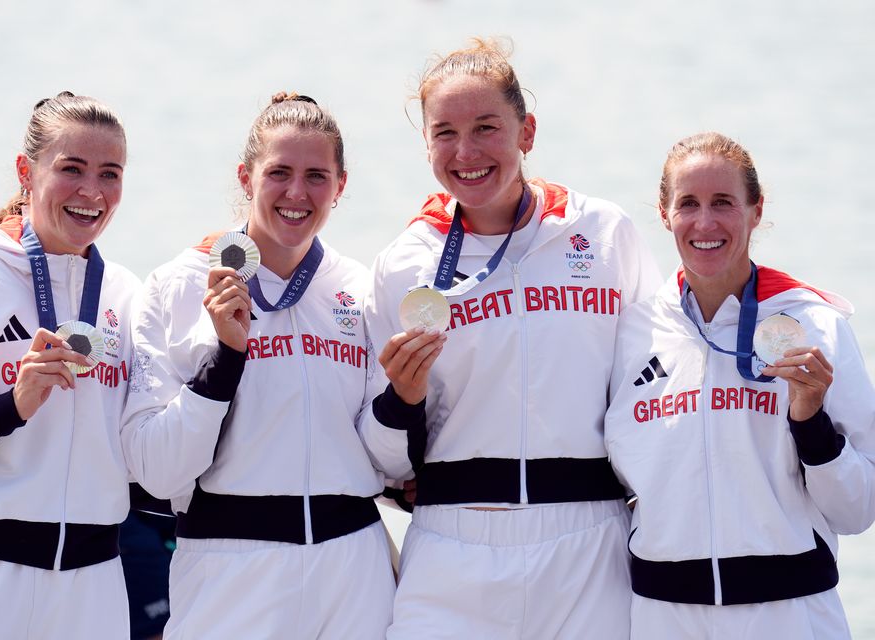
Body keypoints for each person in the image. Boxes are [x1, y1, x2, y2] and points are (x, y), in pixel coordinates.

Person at [358, 39, 661, 639]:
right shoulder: (403, 263)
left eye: (487, 128)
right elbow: (379, 455)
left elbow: (653, 379)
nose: (465, 152)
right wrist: (401, 398)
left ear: (527, 132)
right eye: (444, 132)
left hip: (589, 547)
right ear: (426, 145)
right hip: (452, 545)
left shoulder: (602, 234)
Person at [121, 92, 395, 638]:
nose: (297, 193)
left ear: (340, 186)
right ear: (246, 177)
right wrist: (224, 361)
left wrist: (408, 406)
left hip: (352, 568)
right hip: (229, 566)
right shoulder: (177, 285)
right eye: (279, 173)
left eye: (317, 175)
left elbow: (383, 457)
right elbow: (156, 469)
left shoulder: (361, 289)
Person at [604, 131, 875, 639]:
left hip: (790, 612)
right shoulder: (630, 333)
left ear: (755, 210)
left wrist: (811, 422)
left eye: (724, 203)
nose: (705, 223)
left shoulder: (815, 325)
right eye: (688, 204)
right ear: (665, 214)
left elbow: (858, 509)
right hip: (664, 615)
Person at [0, 92, 138, 639]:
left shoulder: (129, 295)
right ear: (26, 171)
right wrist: (8, 409)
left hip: (92, 587)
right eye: (72, 169)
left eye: (110, 173)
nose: (92, 192)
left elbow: (143, 449)